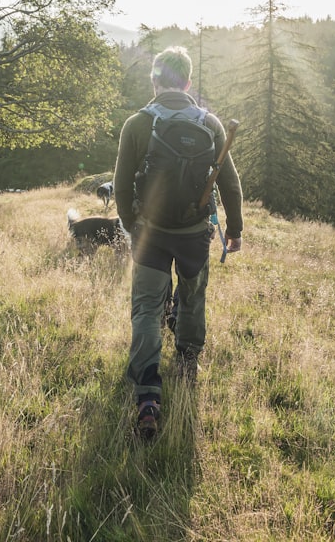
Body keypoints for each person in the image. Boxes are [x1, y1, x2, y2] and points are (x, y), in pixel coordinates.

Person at [113, 46, 244, 441]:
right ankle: (187, 364)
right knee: (191, 299)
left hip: (151, 234)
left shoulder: (137, 123)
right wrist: (234, 229)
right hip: (194, 235)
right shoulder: (212, 123)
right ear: (188, 82)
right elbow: (229, 182)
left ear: (155, 80)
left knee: (147, 309)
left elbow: (121, 184)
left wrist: (131, 225)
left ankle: (148, 395)